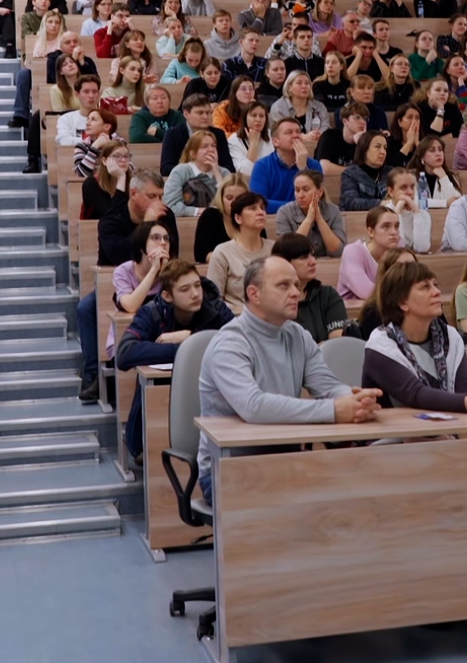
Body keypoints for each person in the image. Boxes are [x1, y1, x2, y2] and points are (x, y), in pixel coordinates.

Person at [196, 255, 379, 499]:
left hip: (286, 461)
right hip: (228, 469)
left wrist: (356, 401)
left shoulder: (298, 335)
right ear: (254, 294)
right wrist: (334, 410)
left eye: (296, 285)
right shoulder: (230, 343)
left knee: (358, 487)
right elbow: (253, 406)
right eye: (284, 286)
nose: (295, 293)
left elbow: (327, 386)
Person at [114, 258, 234, 458]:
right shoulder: (150, 312)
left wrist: (191, 337)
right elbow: (125, 354)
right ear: (167, 296)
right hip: (164, 395)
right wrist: (185, 349)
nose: (195, 294)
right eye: (185, 289)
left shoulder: (215, 306)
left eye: (197, 285)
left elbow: (239, 341)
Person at [362, 260, 467, 413]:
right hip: (397, 427)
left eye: (435, 285)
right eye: (425, 287)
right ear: (402, 302)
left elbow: (465, 384)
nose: (436, 292)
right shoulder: (380, 346)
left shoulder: (450, 336)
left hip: (443, 424)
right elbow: (416, 394)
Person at [205, 191, 272, 303]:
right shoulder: (222, 252)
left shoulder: (275, 249)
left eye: (262, 208)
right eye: (252, 208)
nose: (261, 212)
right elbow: (214, 299)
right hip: (235, 312)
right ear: (238, 218)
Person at [274, 170, 345, 258]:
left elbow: (338, 251)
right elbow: (287, 252)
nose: (300, 195)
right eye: (297, 190)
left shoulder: (333, 211)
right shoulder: (284, 212)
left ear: (320, 192)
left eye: (306, 189)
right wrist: (309, 219)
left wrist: (319, 219)